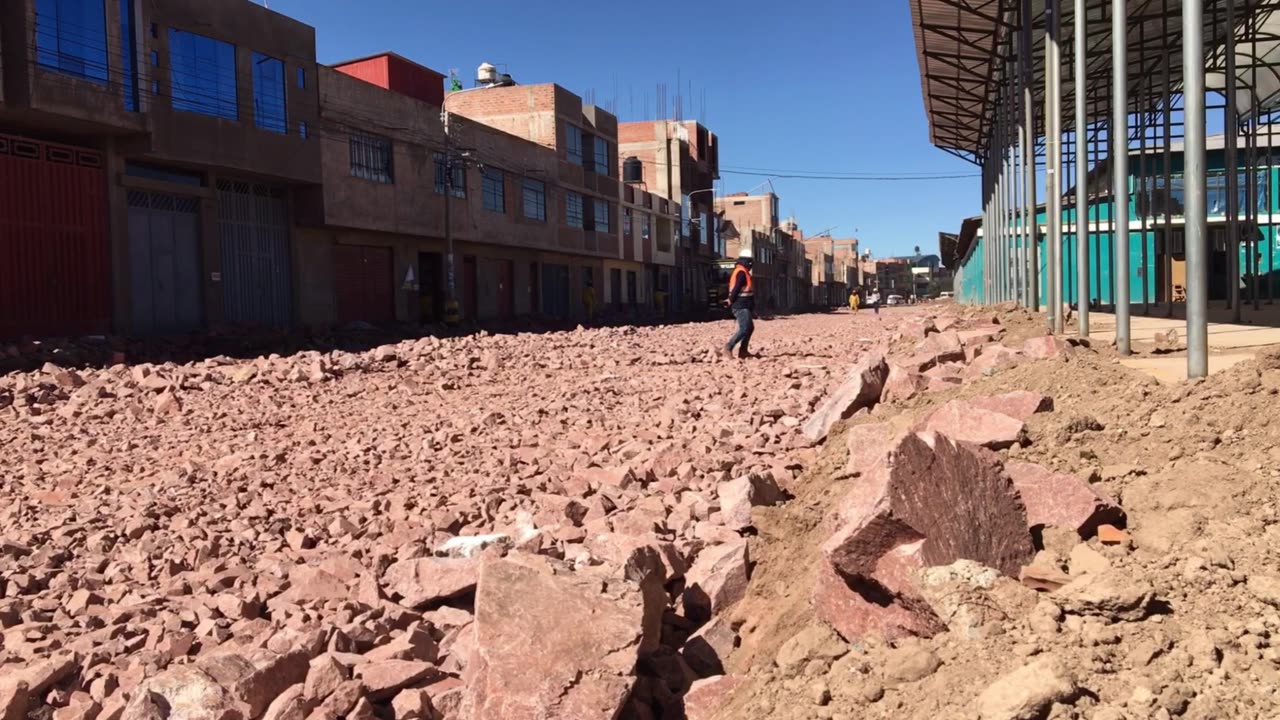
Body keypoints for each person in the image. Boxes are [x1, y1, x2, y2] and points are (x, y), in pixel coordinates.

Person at [721, 247, 755, 359]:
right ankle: (728, 347)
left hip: (745, 305)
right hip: (740, 305)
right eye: (750, 262)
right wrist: (730, 299)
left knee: (749, 327)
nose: (751, 265)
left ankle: (743, 351)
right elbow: (736, 288)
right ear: (746, 261)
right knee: (745, 328)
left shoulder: (742, 271)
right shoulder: (741, 272)